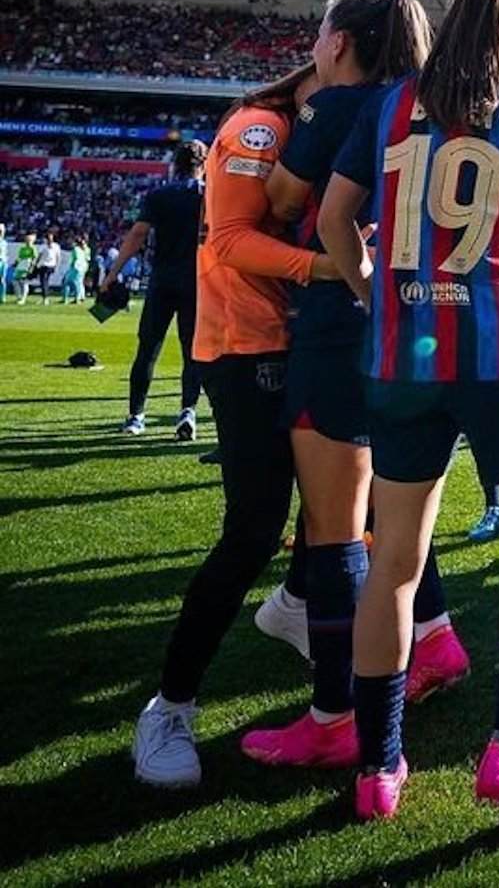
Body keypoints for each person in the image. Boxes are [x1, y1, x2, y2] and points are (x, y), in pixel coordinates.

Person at [319, 0, 499, 818]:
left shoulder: (388, 103)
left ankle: (377, 770)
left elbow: (331, 221)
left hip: (400, 356)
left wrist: (372, 291)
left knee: (392, 562)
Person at [238, 0, 474, 770]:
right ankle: (434, 641)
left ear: (340, 42)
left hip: (343, 319)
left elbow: (279, 198)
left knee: (337, 528)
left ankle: (334, 715)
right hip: (416, 326)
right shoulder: (429, 107)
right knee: (394, 508)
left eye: (318, 31)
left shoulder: (337, 105)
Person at [131, 71, 344, 788]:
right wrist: (329, 267)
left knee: (338, 508)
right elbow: (229, 239)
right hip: (248, 346)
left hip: (305, 342)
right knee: (254, 528)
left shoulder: (327, 122)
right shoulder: (264, 126)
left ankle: (294, 606)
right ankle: (170, 705)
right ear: (334, 56)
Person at [103, 141, 206, 439]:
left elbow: (137, 234)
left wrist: (112, 274)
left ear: (175, 164)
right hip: (196, 282)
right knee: (193, 353)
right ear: (204, 164)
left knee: (147, 350)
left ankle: (136, 417)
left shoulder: (159, 194)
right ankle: (188, 411)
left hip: (162, 281)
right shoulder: (208, 197)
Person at [61, 234, 90, 304]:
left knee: (67, 282)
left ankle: (66, 298)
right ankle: (79, 298)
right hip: (83, 268)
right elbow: (88, 259)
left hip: (75, 268)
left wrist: (72, 265)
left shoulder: (76, 249)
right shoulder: (86, 249)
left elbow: (73, 259)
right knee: (79, 283)